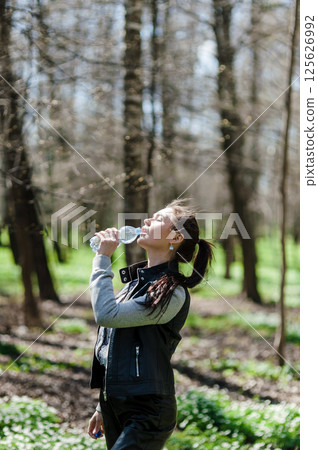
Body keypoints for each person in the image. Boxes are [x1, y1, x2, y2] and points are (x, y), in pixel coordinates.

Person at [87, 199, 214, 449]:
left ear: (175, 238)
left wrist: (102, 258)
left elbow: (106, 314)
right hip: (114, 402)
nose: (145, 221)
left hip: (148, 409)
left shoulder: (173, 293)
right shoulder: (134, 284)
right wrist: (102, 406)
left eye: (157, 219)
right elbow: (110, 344)